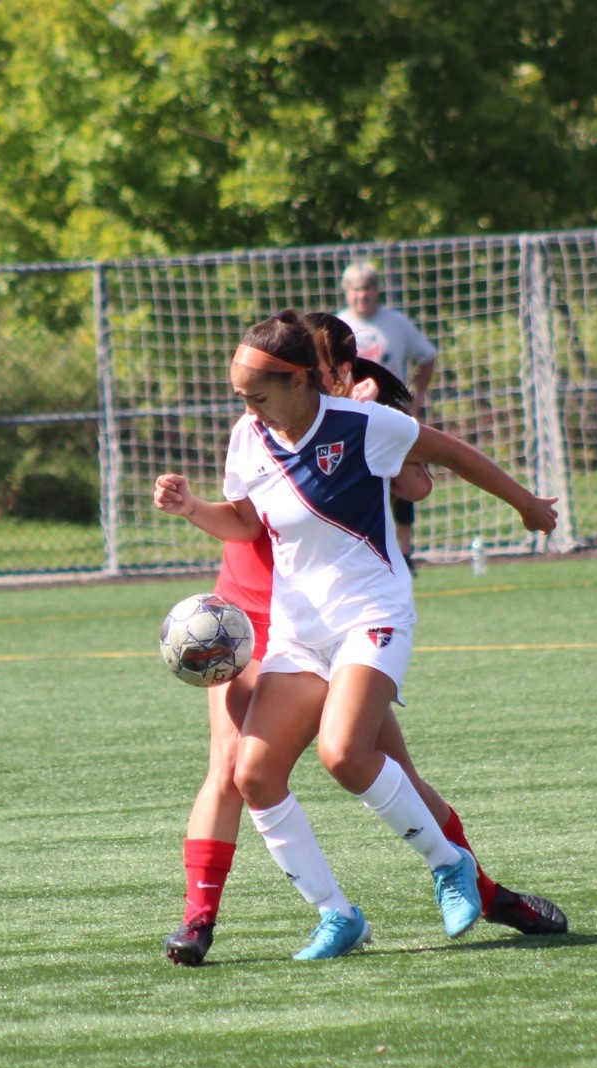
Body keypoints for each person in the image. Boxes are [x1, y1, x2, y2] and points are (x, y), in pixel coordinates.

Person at [162, 312, 568, 967]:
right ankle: (337, 914)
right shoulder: (249, 436)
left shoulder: (363, 425)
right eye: (240, 395)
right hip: (298, 630)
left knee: (346, 753)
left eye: (257, 394)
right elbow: (243, 522)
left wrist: (525, 505)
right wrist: (190, 508)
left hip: (368, 615)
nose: (247, 408)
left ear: (300, 382)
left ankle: (452, 867)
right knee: (252, 774)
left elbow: (444, 456)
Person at [338, 261, 438, 569]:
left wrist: (417, 395)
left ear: (377, 290)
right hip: (354, 417)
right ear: (347, 293)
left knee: (407, 476)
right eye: (356, 290)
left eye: (367, 288)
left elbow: (427, 356)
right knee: (361, 481)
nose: (362, 295)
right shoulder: (339, 326)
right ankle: (364, 548)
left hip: (393, 412)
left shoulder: (395, 323)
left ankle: (404, 550)